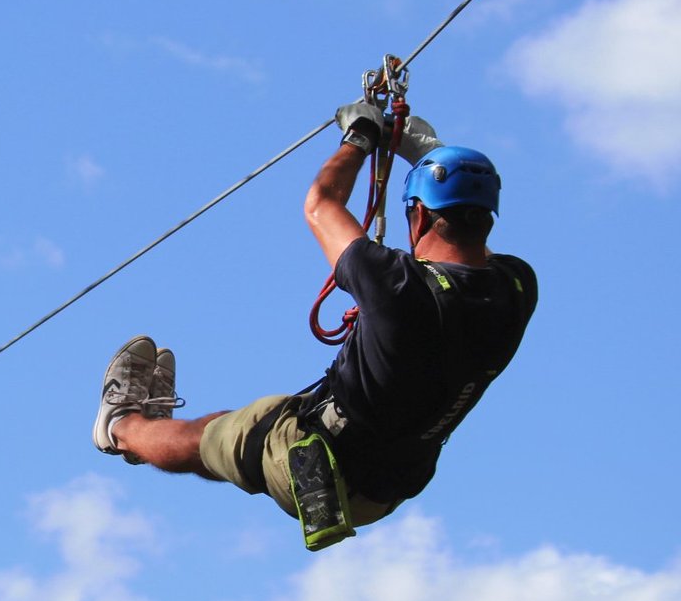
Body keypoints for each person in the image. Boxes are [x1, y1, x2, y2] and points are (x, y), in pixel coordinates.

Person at [91, 104, 537, 550]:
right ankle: (150, 431)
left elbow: (321, 205)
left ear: (418, 215)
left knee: (202, 441)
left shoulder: (396, 286)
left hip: (320, 461)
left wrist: (360, 139)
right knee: (244, 422)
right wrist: (431, 155)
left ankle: (121, 426)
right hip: (388, 482)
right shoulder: (517, 287)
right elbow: (467, 254)